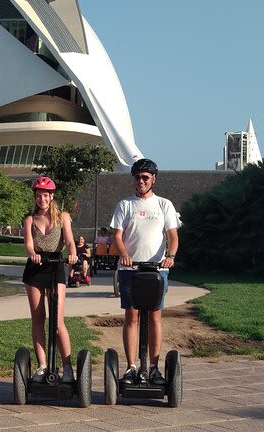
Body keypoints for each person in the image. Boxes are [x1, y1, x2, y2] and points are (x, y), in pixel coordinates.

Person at [110, 158, 180, 387]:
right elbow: (117, 236)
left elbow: (173, 235)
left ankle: (153, 368)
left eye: (145, 177)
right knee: (132, 316)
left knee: (154, 316)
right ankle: (131, 367)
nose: (140, 181)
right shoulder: (125, 205)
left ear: (153, 180)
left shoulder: (164, 205)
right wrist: (124, 254)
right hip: (130, 269)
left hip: (157, 269)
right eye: (138, 177)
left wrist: (170, 257)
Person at [23, 176, 78, 382]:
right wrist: (33, 253)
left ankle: (67, 367)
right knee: (38, 319)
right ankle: (42, 365)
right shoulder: (29, 219)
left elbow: (70, 241)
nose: (42, 199)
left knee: (57, 320)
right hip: (35, 268)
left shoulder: (63, 216)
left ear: (52, 196)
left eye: (45, 195)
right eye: (38, 195)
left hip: (56, 267)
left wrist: (73, 254)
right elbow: (28, 244)